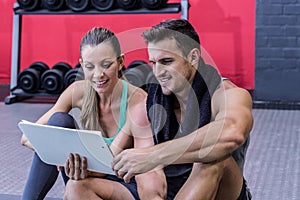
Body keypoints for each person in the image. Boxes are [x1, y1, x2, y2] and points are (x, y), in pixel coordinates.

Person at [112, 18, 254, 199]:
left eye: (166, 61)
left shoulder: (227, 94)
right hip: (175, 193)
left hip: (224, 192)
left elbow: (232, 133)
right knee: (82, 186)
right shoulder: (151, 104)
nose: (158, 72)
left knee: (210, 157)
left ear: (193, 57)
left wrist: (153, 156)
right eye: (153, 63)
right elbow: (148, 174)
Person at [21, 27, 166, 200]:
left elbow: (106, 165)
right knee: (59, 120)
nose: (98, 75)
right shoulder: (77, 92)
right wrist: (59, 153)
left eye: (106, 65)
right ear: (82, 65)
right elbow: (27, 137)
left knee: (76, 182)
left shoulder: (137, 102)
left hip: (124, 184)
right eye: (90, 66)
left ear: (120, 62)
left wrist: (68, 157)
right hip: (84, 173)